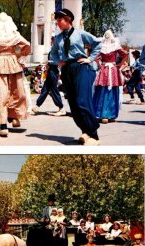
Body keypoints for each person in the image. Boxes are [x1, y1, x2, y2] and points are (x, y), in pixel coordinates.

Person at [51, 9, 102, 145]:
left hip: (81, 67)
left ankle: (94, 135)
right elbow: (53, 53)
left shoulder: (80, 33)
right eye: (57, 21)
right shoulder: (58, 38)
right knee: (73, 103)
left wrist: (90, 58)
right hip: (67, 69)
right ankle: (85, 131)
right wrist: (58, 62)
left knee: (82, 100)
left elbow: (97, 43)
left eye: (60, 20)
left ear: (68, 20)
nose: (58, 23)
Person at [93, 30, 128, 123]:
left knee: (102, 90)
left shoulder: (102, 46)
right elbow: (125, 54)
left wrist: (101, 65)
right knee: (111, 90)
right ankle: (109, 114)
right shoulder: (115, 45)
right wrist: (119, 64)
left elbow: (95, 57)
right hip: (112, 69)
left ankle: (101, 113)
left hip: (104, 69)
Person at [32, 37, 66, 116]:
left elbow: (59, 61)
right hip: (50, 71)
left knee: (54, 90)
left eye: (53, 40)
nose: (51, 42)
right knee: (45, 89)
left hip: (54, 71)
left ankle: (61, 107)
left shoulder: (58, 50)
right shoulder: (53, 50)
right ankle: (37, 106)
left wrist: (49, 62)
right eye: (52, 40)